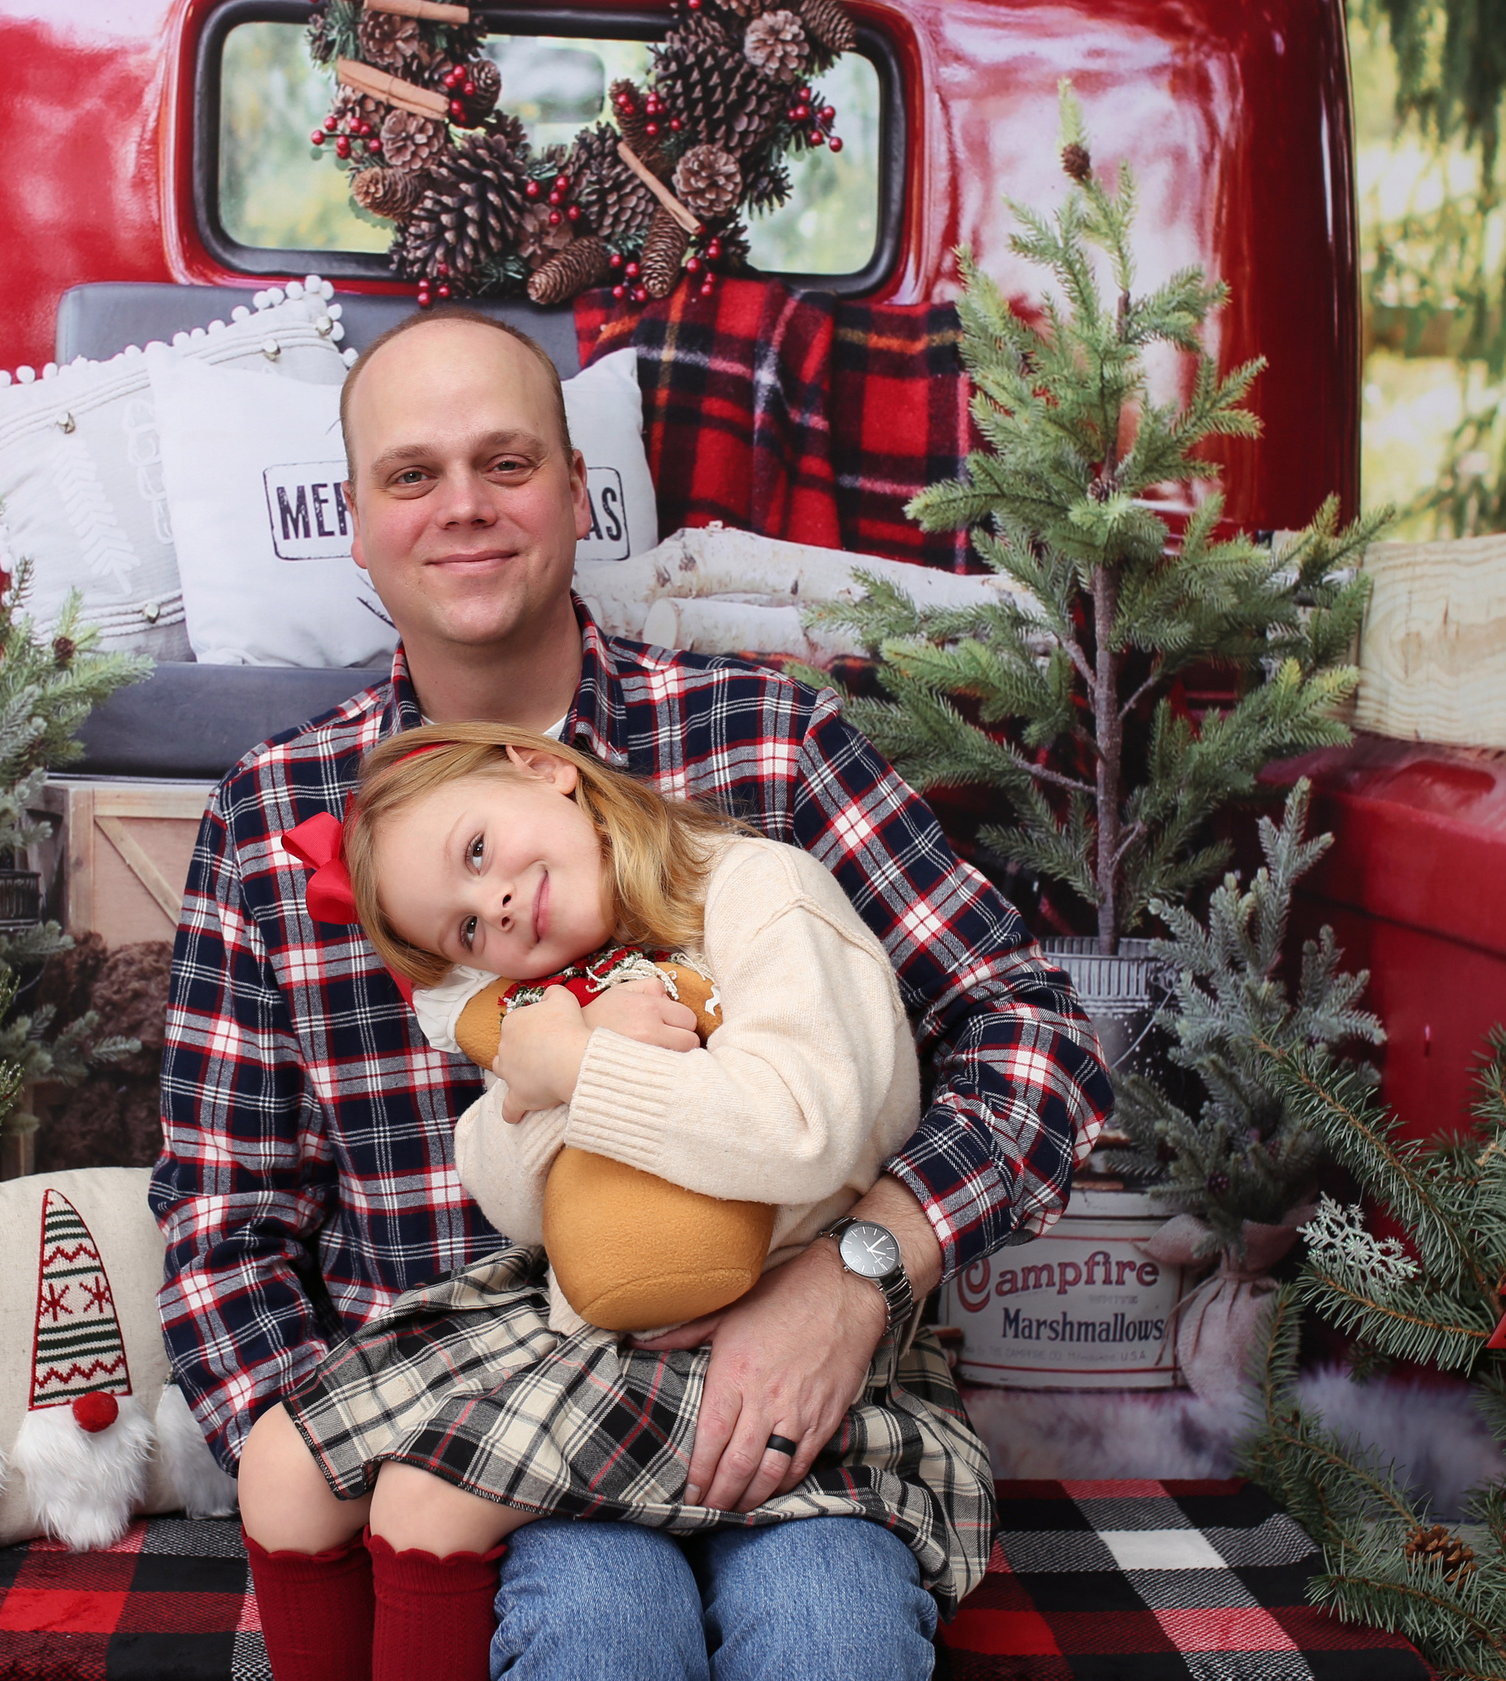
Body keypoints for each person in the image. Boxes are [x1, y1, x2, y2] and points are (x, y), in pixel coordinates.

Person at [151, 307, 1112, 1680]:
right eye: (413, 475)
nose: (464, 506)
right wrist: (359, 1473)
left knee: (832, 1630)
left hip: (806, 1402)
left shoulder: (766, 741)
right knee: (600, 1626)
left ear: (577, 490)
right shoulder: (272, 818)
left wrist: (858, 1273)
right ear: (354, 522)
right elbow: (223, 1225)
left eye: (506, 462)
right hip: (487, 1442)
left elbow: (1034, 1034)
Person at [233, 722, 998, 1681]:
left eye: (479, 850)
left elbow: (805, 1127)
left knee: (435, 1501)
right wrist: (558, 1063)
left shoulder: (762, 890)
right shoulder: (558, 983)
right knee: (278, 1467)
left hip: (800, 1354)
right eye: (465, 930)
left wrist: (581, 1069)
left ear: (546, 769)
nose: (494, 907)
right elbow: (510, 1194)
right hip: (602, 1337)